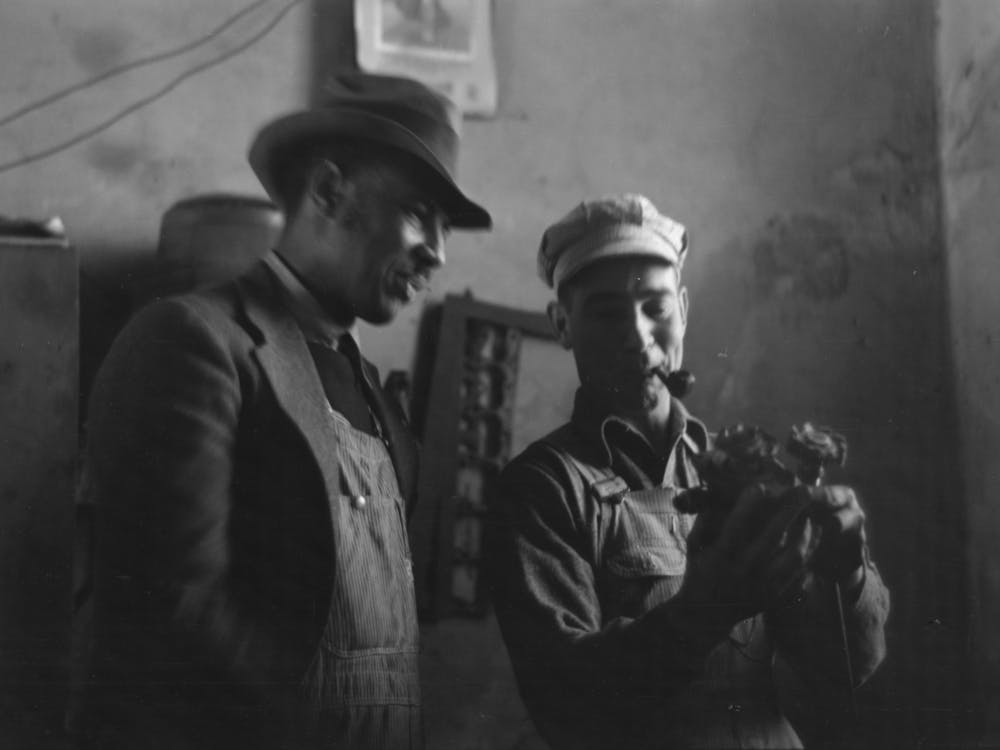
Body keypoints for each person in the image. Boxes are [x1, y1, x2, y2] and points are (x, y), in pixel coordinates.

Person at [71, 72, 491, 749]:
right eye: (419, 212)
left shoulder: (373, 391)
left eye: (446, 226)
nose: (437, 252)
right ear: (328, 190)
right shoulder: (191, 342)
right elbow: (174, 617)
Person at [487, 194, 889, 749]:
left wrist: (845, 573)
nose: (637, 336)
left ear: (683, 309)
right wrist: (709, 606)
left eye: (655, 307)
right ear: (562, 324)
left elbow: (845, 669)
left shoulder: (747, 468)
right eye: (605, 313)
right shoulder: (541, 490)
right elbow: (567, 704)